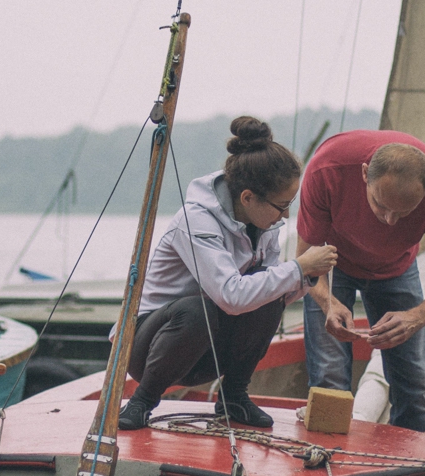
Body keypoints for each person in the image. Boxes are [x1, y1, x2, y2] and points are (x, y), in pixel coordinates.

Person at [117, 118, 336, 431]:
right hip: (148, 346)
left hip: (206, 348)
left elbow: (268, 290)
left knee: (269, 298)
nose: (286, 215)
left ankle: (233, 397)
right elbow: (230, 296)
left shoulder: (266, 224)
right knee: (199, 309)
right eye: (281, 205)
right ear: (248, 198)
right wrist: (300, 266)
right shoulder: (195, 221)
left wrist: (308, 275)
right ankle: (142, 400)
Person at [297, 131, 425, 432]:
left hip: (396, 268)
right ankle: (327, 466)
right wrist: (327, 302)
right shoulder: (327, 168)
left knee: (414, 385)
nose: (389, 220)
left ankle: (410, 465)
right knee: (328, 377)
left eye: (403, 213)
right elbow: (306, 261)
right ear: (365, 174)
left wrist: (414, 319)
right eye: (380, 205)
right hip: (332, 263)